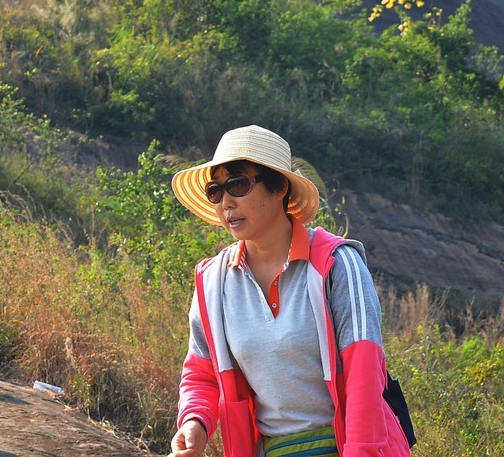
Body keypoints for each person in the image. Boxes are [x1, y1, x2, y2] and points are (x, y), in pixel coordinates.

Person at [167, 126, 411, 457]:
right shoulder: (213, 284)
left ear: (279, 187)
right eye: (215, 190)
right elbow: (202, 374)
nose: (226, 202)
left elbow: (364, 374)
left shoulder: (336, 265)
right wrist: (194, 423)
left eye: (238, 184)